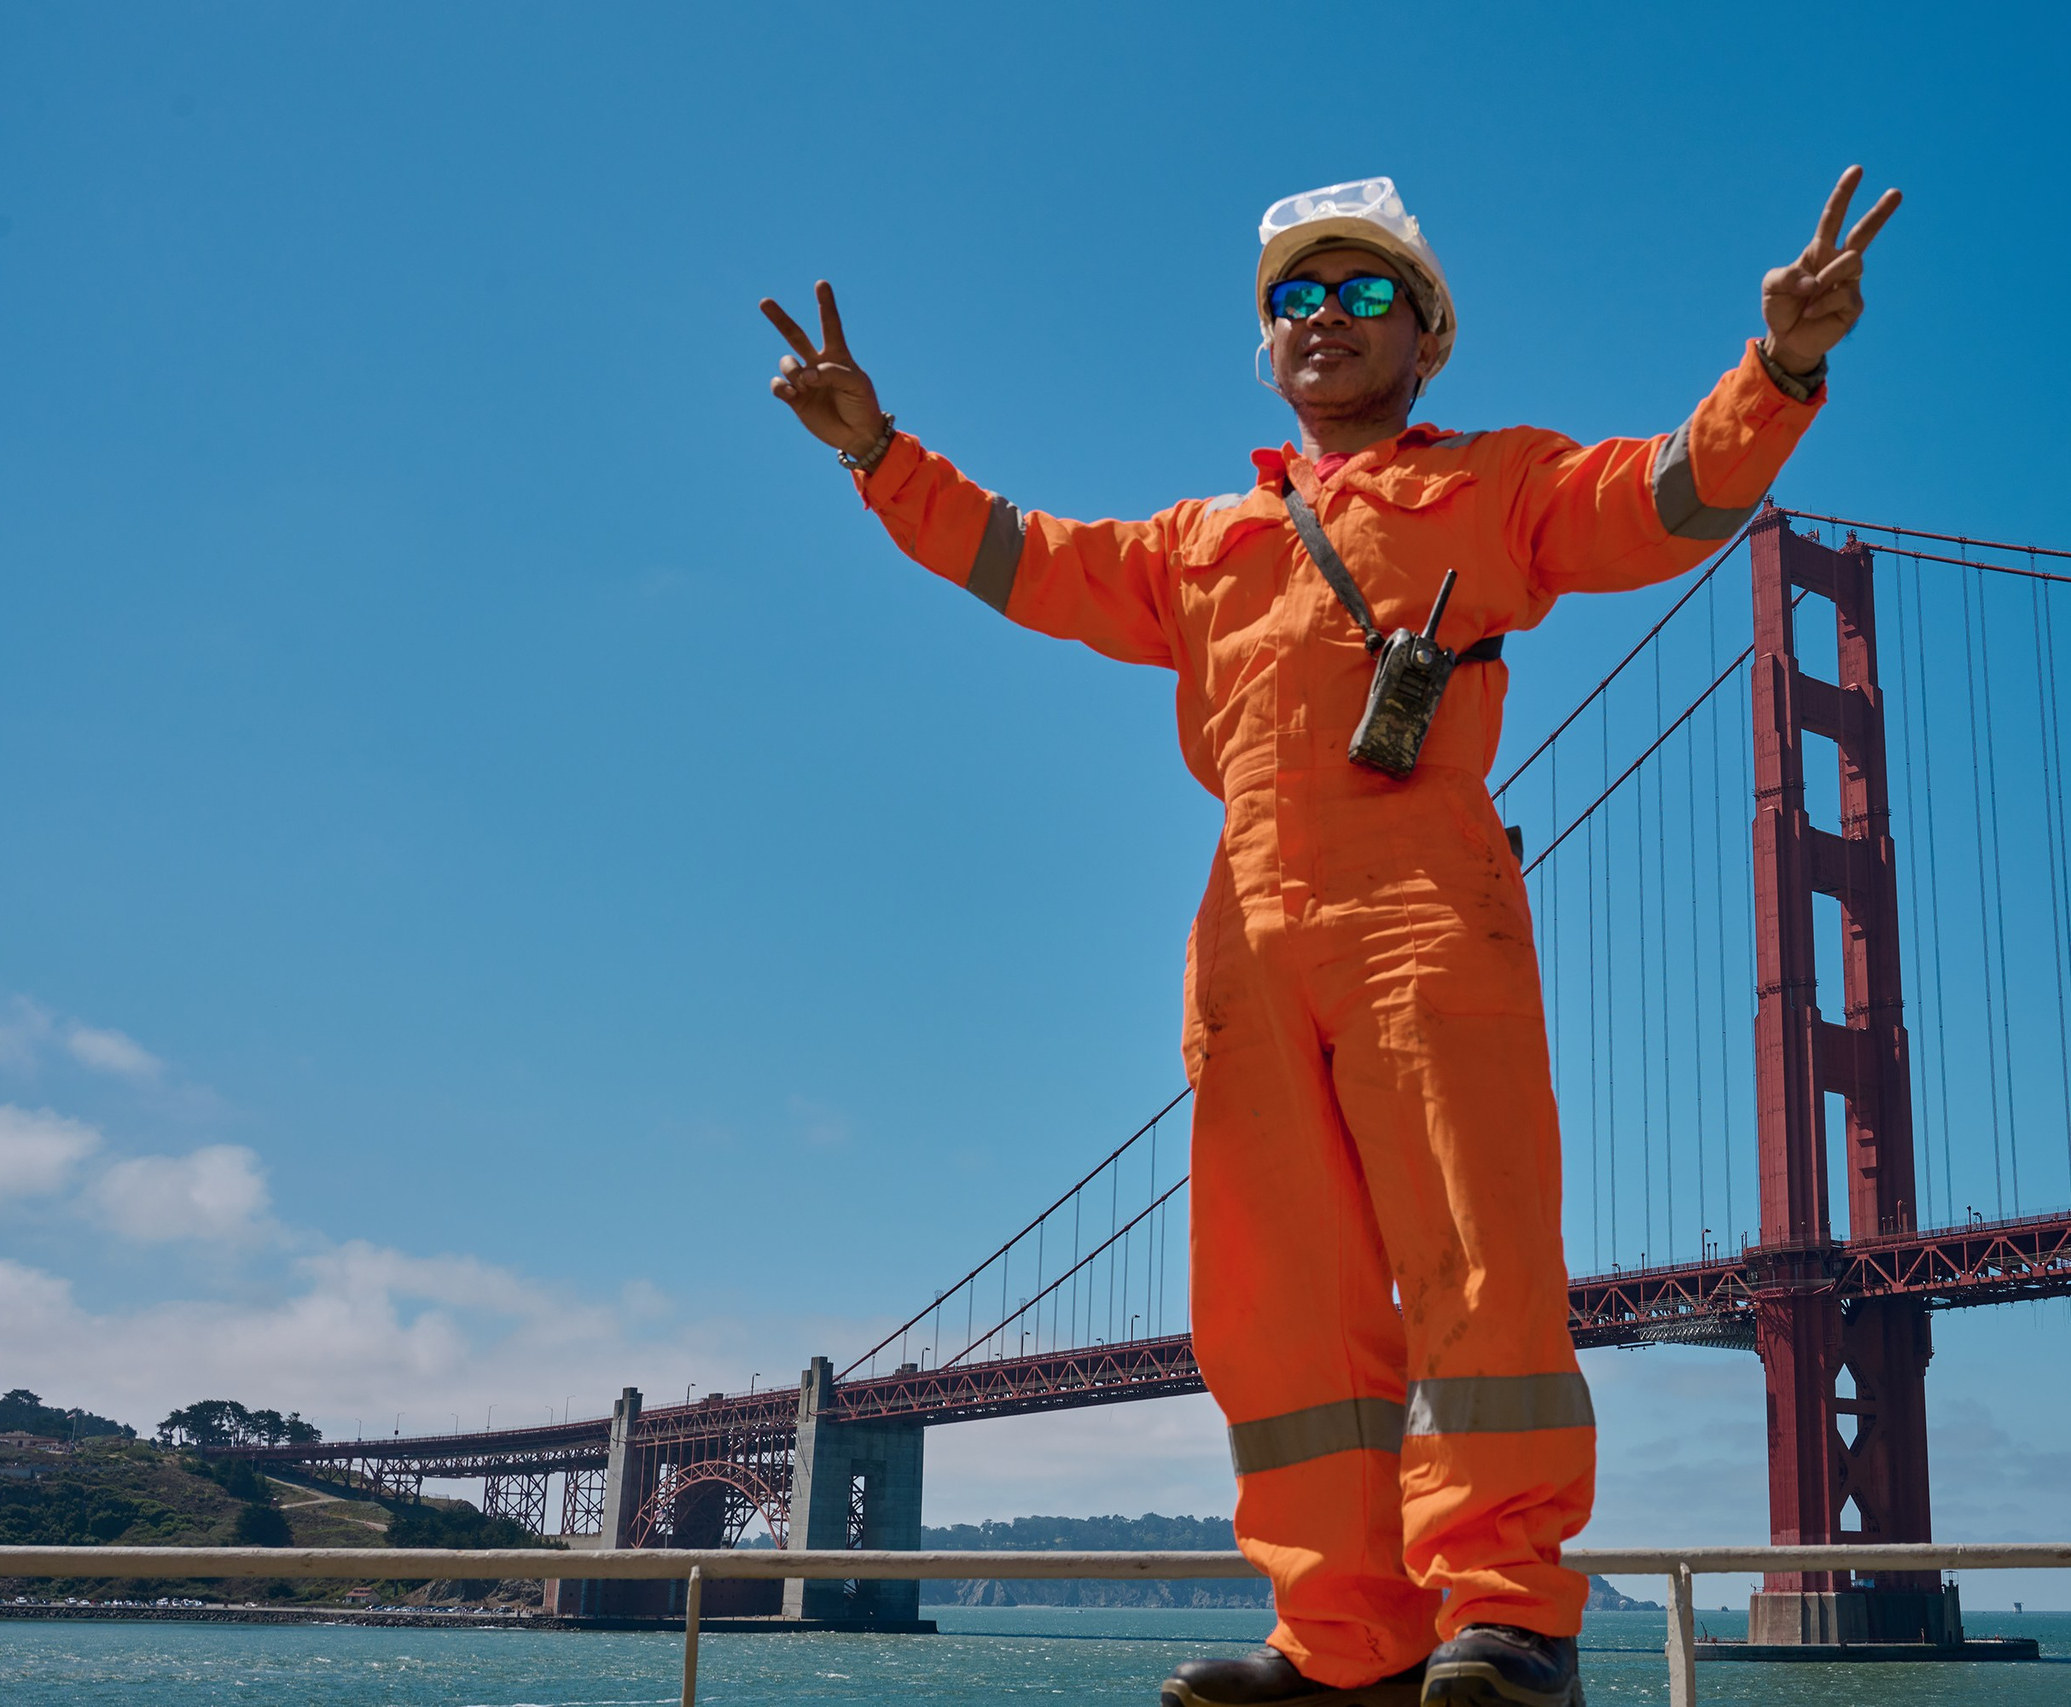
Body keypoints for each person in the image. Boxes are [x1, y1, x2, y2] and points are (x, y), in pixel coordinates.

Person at [760, 168, 1899, 1707]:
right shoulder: (1201, 540)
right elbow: (1024, 559)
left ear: (1428, 337)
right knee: (1273, 1295)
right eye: (1295, 297)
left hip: (1426, 901)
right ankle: (1345, 1634)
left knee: (1475, 1263)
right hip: (1243, 928)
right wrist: (878, 454)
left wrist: (1780, 369)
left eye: (1365, 293)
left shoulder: (1496, 482)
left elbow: (1664, 503)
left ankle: (1509, 1614)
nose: (1325, 318)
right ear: (1268, 342)